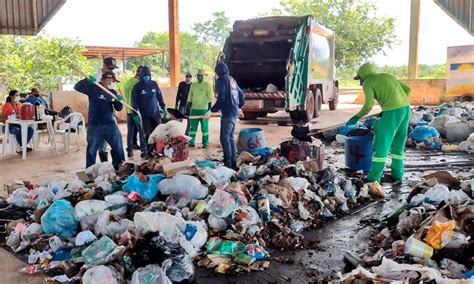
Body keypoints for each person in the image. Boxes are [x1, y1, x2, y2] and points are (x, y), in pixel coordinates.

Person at [347, 63, 411, 183]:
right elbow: (408, 89)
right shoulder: (388, 76)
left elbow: (368, 106)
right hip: (406, 109)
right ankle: (397, 174)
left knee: (381, 144)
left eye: (360, 78)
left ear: (364, 75)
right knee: (398, 144)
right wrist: (397, 103)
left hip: (392, 112)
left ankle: (373, 178)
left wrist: (356, 117)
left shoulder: (368, 82)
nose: (360, 82)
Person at [74, 71, 125, 170]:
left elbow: (119, 108)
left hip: (110, 124)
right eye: (111, 80)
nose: (112, 82)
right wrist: (87, 80)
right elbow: (76, 87)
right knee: (91, 150)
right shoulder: (93, 88)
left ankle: (121, 168)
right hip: (95, 125)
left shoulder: (112, 92)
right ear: (106, 78)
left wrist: (119, 101)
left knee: (118, 147)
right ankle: (89, 172)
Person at [210, 62, 244, 169]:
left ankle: (228, 164)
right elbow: (241, 93)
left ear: (218, 71)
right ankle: (233, 162)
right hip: (234, 113)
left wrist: (211, 110)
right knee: (230, 138)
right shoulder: (232, 80)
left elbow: (221, 99)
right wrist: (239, 105)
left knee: (224, 138)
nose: (216, 74)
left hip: (228, 113)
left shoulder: (221, 80)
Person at [132, 66, 167, 156]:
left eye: (148, 76)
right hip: (145, 115)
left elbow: (159, 96)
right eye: (144, 76)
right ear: (141, 76)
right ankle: (149, 151)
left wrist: (163, 106)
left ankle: (160, 150)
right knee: (148, 133)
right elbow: (134, 102)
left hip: (155, 113)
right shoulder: (137, 87)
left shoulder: (154, 84)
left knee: (159, 132)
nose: (146, 78)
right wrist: (134, 114)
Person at [95, 57, 120, 163]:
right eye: (109, 68)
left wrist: (117, 101)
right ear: (104, 65)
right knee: (102, 141)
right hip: (98, 112)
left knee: (115, 139)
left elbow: (112, 94)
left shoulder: (112, 77)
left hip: (110, 112)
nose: (111, 70)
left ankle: (116, 164)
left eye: (113, 68)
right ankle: (104, 163)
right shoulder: (95, 78)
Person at [123, 65, 146, 157]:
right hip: (136, 111)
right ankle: (144, 149)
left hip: (128, 111)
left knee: (130, 131)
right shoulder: (138, 84)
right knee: (141, 131)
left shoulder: (128, 83)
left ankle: (130, 150)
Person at [187, 69, 213, 148]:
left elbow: (210, 97)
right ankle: (191, 142)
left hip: (204, 110)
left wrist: (209, 107)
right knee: (192, 128)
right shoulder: (193, 85)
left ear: (203, 76)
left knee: (204, 128)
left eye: (201, 76)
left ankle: (205, 143)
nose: (199, 77)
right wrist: (188, 104)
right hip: (194, 110)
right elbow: (190, 96)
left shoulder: (207, 85)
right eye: (198, 75)